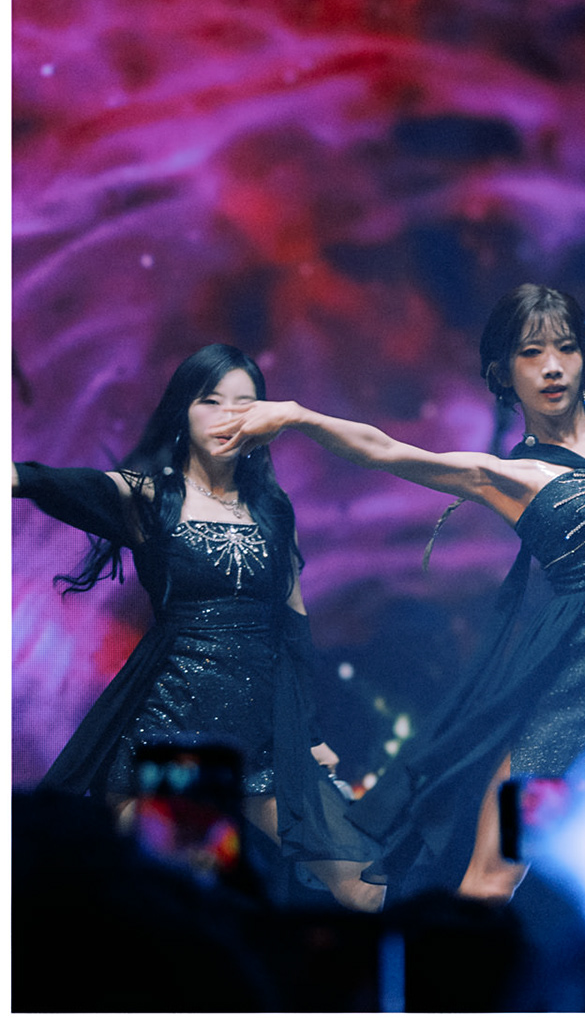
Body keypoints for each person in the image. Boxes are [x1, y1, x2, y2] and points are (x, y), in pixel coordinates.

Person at [219, 284, 585, 902]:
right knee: (495, 875)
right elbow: (385, 451)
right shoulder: (509, 477)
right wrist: (299, 416)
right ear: (502, 373)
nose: (552, 367)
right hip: (569, 702)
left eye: (565, 349)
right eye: (531, 353)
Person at [12, 344, 384, 911]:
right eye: (210, 401)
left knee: (366, 884)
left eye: (243, 403)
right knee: (188, 899)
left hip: (263, 737)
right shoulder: (148, 497)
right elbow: (38, 481)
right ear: (182, 411)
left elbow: (293, 626)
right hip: (172, 736)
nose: (227, 416)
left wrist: (309, 734)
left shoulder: (273, 510)